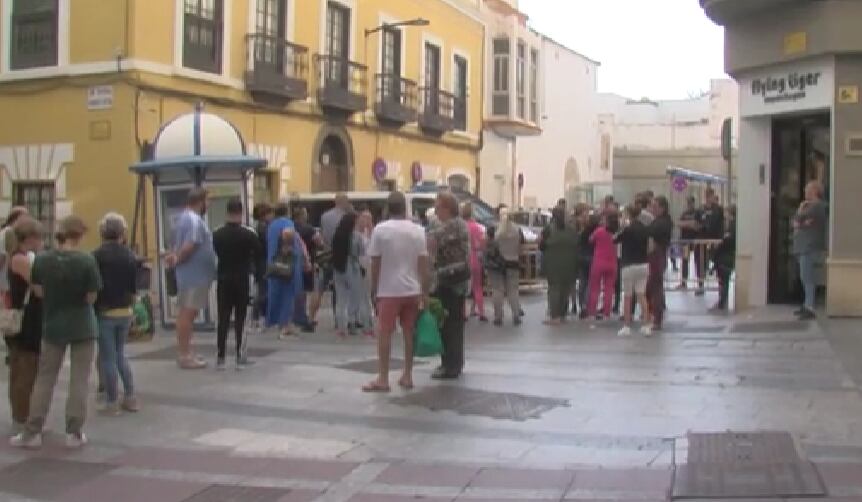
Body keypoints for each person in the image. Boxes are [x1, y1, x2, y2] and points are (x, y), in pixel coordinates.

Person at [11, 216, 101, 449]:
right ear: (79, 235)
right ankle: (73, 431)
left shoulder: (43, 259)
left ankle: (32, 431)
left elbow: (38, 291)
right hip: (82, 325)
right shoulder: (86, 260)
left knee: (45, 378)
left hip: (52, 323)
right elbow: (91, 296)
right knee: (79, 379)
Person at [363, 192, 430, 392]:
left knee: (385, 332)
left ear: (387, 209)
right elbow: (423, 263)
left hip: (389, 289)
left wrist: (374, 289)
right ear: (405, 208)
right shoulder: (418, 231)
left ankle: (383, 377)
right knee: (409, 332)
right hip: (412, 289)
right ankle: (407, 375)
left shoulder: (380, 230)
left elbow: (375, 263)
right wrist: (424, 291)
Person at [92, 213, 139, 416]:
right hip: (125, 311)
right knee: (121, 355)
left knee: (108, 358)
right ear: (122, 232)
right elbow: (133, 286)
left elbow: (94, 284)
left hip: (105, 311)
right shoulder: (129, 255)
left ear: (102, 232)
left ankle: (111, 401)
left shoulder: (96, 255)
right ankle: (130, 396)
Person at [165, 188, 216, 369]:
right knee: (187, 314)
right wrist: (178, 258)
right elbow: (189, 245)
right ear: (200, 201)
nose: (210, 204)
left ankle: (187, 351)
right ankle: (185, 355)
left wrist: (174, 257)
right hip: (194, 276)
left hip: (193, 275)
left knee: (188, 314)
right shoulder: (193, 220)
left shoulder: (183, 218)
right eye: (208, 200)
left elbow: (174, 245)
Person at [4, 217, 43, 436]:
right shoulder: (21, 260)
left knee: (21, 368)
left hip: (24, 317)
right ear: (30, 238)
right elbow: (38, 288)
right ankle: (22, 417)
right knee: (25, 370)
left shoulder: (18, 257)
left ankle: (21, 415)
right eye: (39, 238)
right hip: (26, 319)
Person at [212, 199, 259, 370]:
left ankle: (221, 356)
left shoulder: (217, 234)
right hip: (242, 279)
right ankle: (240, 355)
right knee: (241, 318)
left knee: (223, 317)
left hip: (224, 279)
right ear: (241, 212)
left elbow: (214, 253)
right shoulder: (249, 234)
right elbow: (258, 254)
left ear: (227, 212)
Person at [427, 192, 470, 379]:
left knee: (450, 324)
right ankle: (450, 362)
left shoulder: (455, 225)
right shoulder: (449, 224)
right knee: (448, 323)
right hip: (449, 279)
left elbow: (432, 238)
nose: (435, 211)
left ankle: (451, 365)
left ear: (447, 208)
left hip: (453, 280)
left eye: (438, 207)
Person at [331, 212, 373, 338]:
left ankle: (341, 328)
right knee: (358, 297)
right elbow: (362, 252)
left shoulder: (336, 235)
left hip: (338, 268)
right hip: (352, 267)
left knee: (341, 299)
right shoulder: (356, 236)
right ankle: (355, 323)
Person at [267, 202, 304, 338]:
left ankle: (280, 323)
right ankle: (285, 325)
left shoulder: (272, 225)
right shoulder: (287, 223)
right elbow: (288, 234)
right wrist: (288, 248)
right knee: (288, 294)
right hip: (287, 263)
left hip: (274, 263)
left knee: (277, 293)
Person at [792, 181, 827, 320]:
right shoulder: (811, 207)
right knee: (804, 276)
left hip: (810, 247)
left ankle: (810, 307)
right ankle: (807, 304)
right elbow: (796, 222)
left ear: (814, 191)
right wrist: (801, 223)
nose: (805, 192)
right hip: (805, 247)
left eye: (807, 189)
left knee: (807, 277)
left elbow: (798, 219)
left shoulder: (817, 206)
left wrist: (800, 211)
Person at [615, 205, 651, 337]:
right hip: (643, 264)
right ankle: (647, 325)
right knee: (642, 295)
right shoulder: (644, 228)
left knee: (628, 296)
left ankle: (626, 326)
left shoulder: (627, 229)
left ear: (629, 214)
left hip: (629, 265)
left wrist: (622, 226)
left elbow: (615, 239)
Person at [540, 206, 578, 325]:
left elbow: (541, 246)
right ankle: (562, 314)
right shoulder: (572, 230)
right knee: (565, 289)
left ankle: (555, 316)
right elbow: (577, 244)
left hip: (553, 263)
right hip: (570, 263)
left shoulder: (548, 229)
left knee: (554, 290)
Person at [486, 206, 522, 326]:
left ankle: (498, 316)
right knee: (513, 290)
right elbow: (521, 245)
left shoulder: (493, 229)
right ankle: (516, 314)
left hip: (497, 264)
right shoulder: (517, 229)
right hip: (513, 262)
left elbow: (487, 244)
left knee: (497, 290)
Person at [646, 196, 673, 331]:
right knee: (654, 285)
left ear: (662, 207)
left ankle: (656, 316)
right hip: (655, 255)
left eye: (655, 206)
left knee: (654, 286)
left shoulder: (663, 222)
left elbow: (651, 232)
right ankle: (654, 313)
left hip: (658, 255)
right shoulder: (658, 220)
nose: (653, 209)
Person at [294, 207, 322, 333]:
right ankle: (309, 317)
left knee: (299, 290)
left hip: (295, 263)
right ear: (302, 216)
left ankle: (299, 315)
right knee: (312, 290)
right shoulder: (309, 229)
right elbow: (319, 242)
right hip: (309, 261)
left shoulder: (292, 227)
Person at [587, 212, 619, 320]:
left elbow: (590, 240)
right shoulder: (617, 233)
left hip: (599, 262)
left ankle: (592, 312)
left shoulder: (600, 231)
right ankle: (606, 313)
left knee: (595, 288)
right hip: (612, 263)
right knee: (609, 289)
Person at [696, 189, 725, 296]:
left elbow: (720, 224)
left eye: (710, 196)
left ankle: (721, 288)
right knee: (700, 263)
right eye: (707, 196)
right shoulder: (701, 209)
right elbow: (697, 223)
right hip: (702, 239)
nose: (709, 198)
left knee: (718, 264)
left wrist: (720, 239)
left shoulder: (718, 209)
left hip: (715, 239)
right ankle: (700, 285)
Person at [462, 202, 487, 322]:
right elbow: (482, 243)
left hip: (463, 259)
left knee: (462, 288)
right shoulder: (477, 227)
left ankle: (463, 313)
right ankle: (481, 311)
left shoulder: (460, 226)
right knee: (478, 286)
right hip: (475, 258)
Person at [251, 203, 273, 332]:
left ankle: (257, 318)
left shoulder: (256, 226)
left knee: (261, 290)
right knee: (263, 292)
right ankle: (258, 319)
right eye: (270, 213)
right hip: (263, 262)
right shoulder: (263, 227)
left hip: (258, 262)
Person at [0, 207, 28, 306]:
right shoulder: (8, 232)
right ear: (16, 218)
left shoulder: (11, 232)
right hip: (7, 282)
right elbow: (2, 256)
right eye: (25, 217)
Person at [711, 205, 737, 313]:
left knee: (724, 279)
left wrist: (720, 243)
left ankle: (722, 301)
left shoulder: (732, 226)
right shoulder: (728, 226)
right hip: (724, 256)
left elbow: (728, 239)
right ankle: (722, 300)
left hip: (726, 256)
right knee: (722, 279)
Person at [576, 209, 598, 319]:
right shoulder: (597, 231)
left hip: (582, 258)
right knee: (590, 283)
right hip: (593, 258)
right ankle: (588, 305)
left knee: (582, 283)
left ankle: (582, 305)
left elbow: (578, 244)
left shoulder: (582, 232)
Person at [677, 196, 701, 289]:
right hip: (685, 240)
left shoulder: (697, 212)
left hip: (695, 240)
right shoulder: (684, 213)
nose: (689, 204)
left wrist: (687, 224)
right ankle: (683, 282)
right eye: (688, 202)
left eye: (690, 202)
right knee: (684, 261)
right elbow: (679, 223)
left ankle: (700, 283)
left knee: (697, 261)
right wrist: (690, 224)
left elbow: (697, 225)